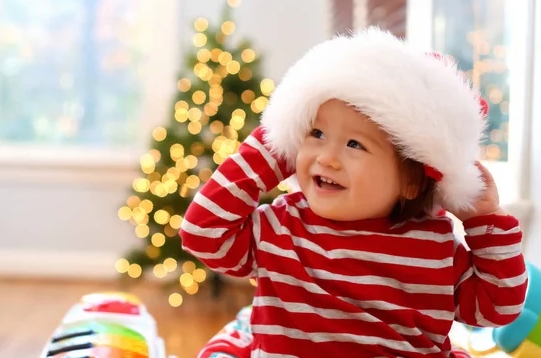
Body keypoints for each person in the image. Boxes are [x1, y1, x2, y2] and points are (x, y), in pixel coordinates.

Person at [179, 27, 527, 357]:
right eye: (315, 133)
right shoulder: (280, 227)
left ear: (412, 182)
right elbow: (202, 233)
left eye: (354, 144)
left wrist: (484, 221)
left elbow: (498, 308)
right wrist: (275, 145)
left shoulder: (434, 247)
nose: (327, 158)